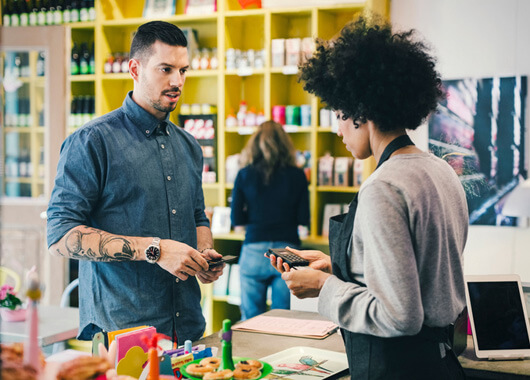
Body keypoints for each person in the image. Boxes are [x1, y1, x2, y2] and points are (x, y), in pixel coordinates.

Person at [268, 16, 469, 379]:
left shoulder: (383, 187)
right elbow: (422, 272)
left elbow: (399, 316)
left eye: (339, 113)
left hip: (398, 369)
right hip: (442, 364)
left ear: (360, 110)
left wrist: (324, 287)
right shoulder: (441, 172)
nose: (338, 127)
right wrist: (337, 266)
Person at [46, 21, 224, 344]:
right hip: (123, 335)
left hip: (188, 331)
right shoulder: (92, 142)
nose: (177, 81)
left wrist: (204, 255)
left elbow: (197, 216)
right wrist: (155, 250)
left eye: (183, 70)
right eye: (166, 69)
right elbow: (60, 236)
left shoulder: (190, 147)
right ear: (135, 69)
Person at [231, 120, 309, 320]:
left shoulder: (244, 174)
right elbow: (303, 218)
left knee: (250, 318)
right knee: (283, 319)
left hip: (254, 250)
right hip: (287, 252)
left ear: (255, 144)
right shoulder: (298, 175)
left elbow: (237, 219)